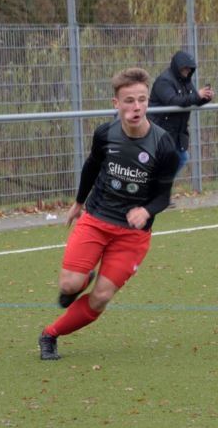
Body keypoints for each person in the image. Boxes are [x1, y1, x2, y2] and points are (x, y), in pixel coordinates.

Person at [38, 67, 180, 360]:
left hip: (132, 236)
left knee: (101, 297)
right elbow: (92, 166)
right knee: (69, 285)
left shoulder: (164, 144)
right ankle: (81, 280)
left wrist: (146, 210)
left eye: (142, 99)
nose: (136, 107)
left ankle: (50, 335)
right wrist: (78, 203)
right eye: (129, 100)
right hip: (96, 221)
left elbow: (164, 195)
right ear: (116, 103)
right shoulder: (105, 134)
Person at [148, 50, 214, 174]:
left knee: (182, 158)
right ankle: (158, 183)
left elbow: (192, 100)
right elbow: (173, 101)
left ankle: (161, 183)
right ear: (178, 67)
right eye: (185, 68)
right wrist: (197, 96)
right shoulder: (164, 81)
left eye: (190, 68)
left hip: (177, 132)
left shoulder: (186, 81)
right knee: (166, 162)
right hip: (160, 130)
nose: (188, 71)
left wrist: (205, 98)